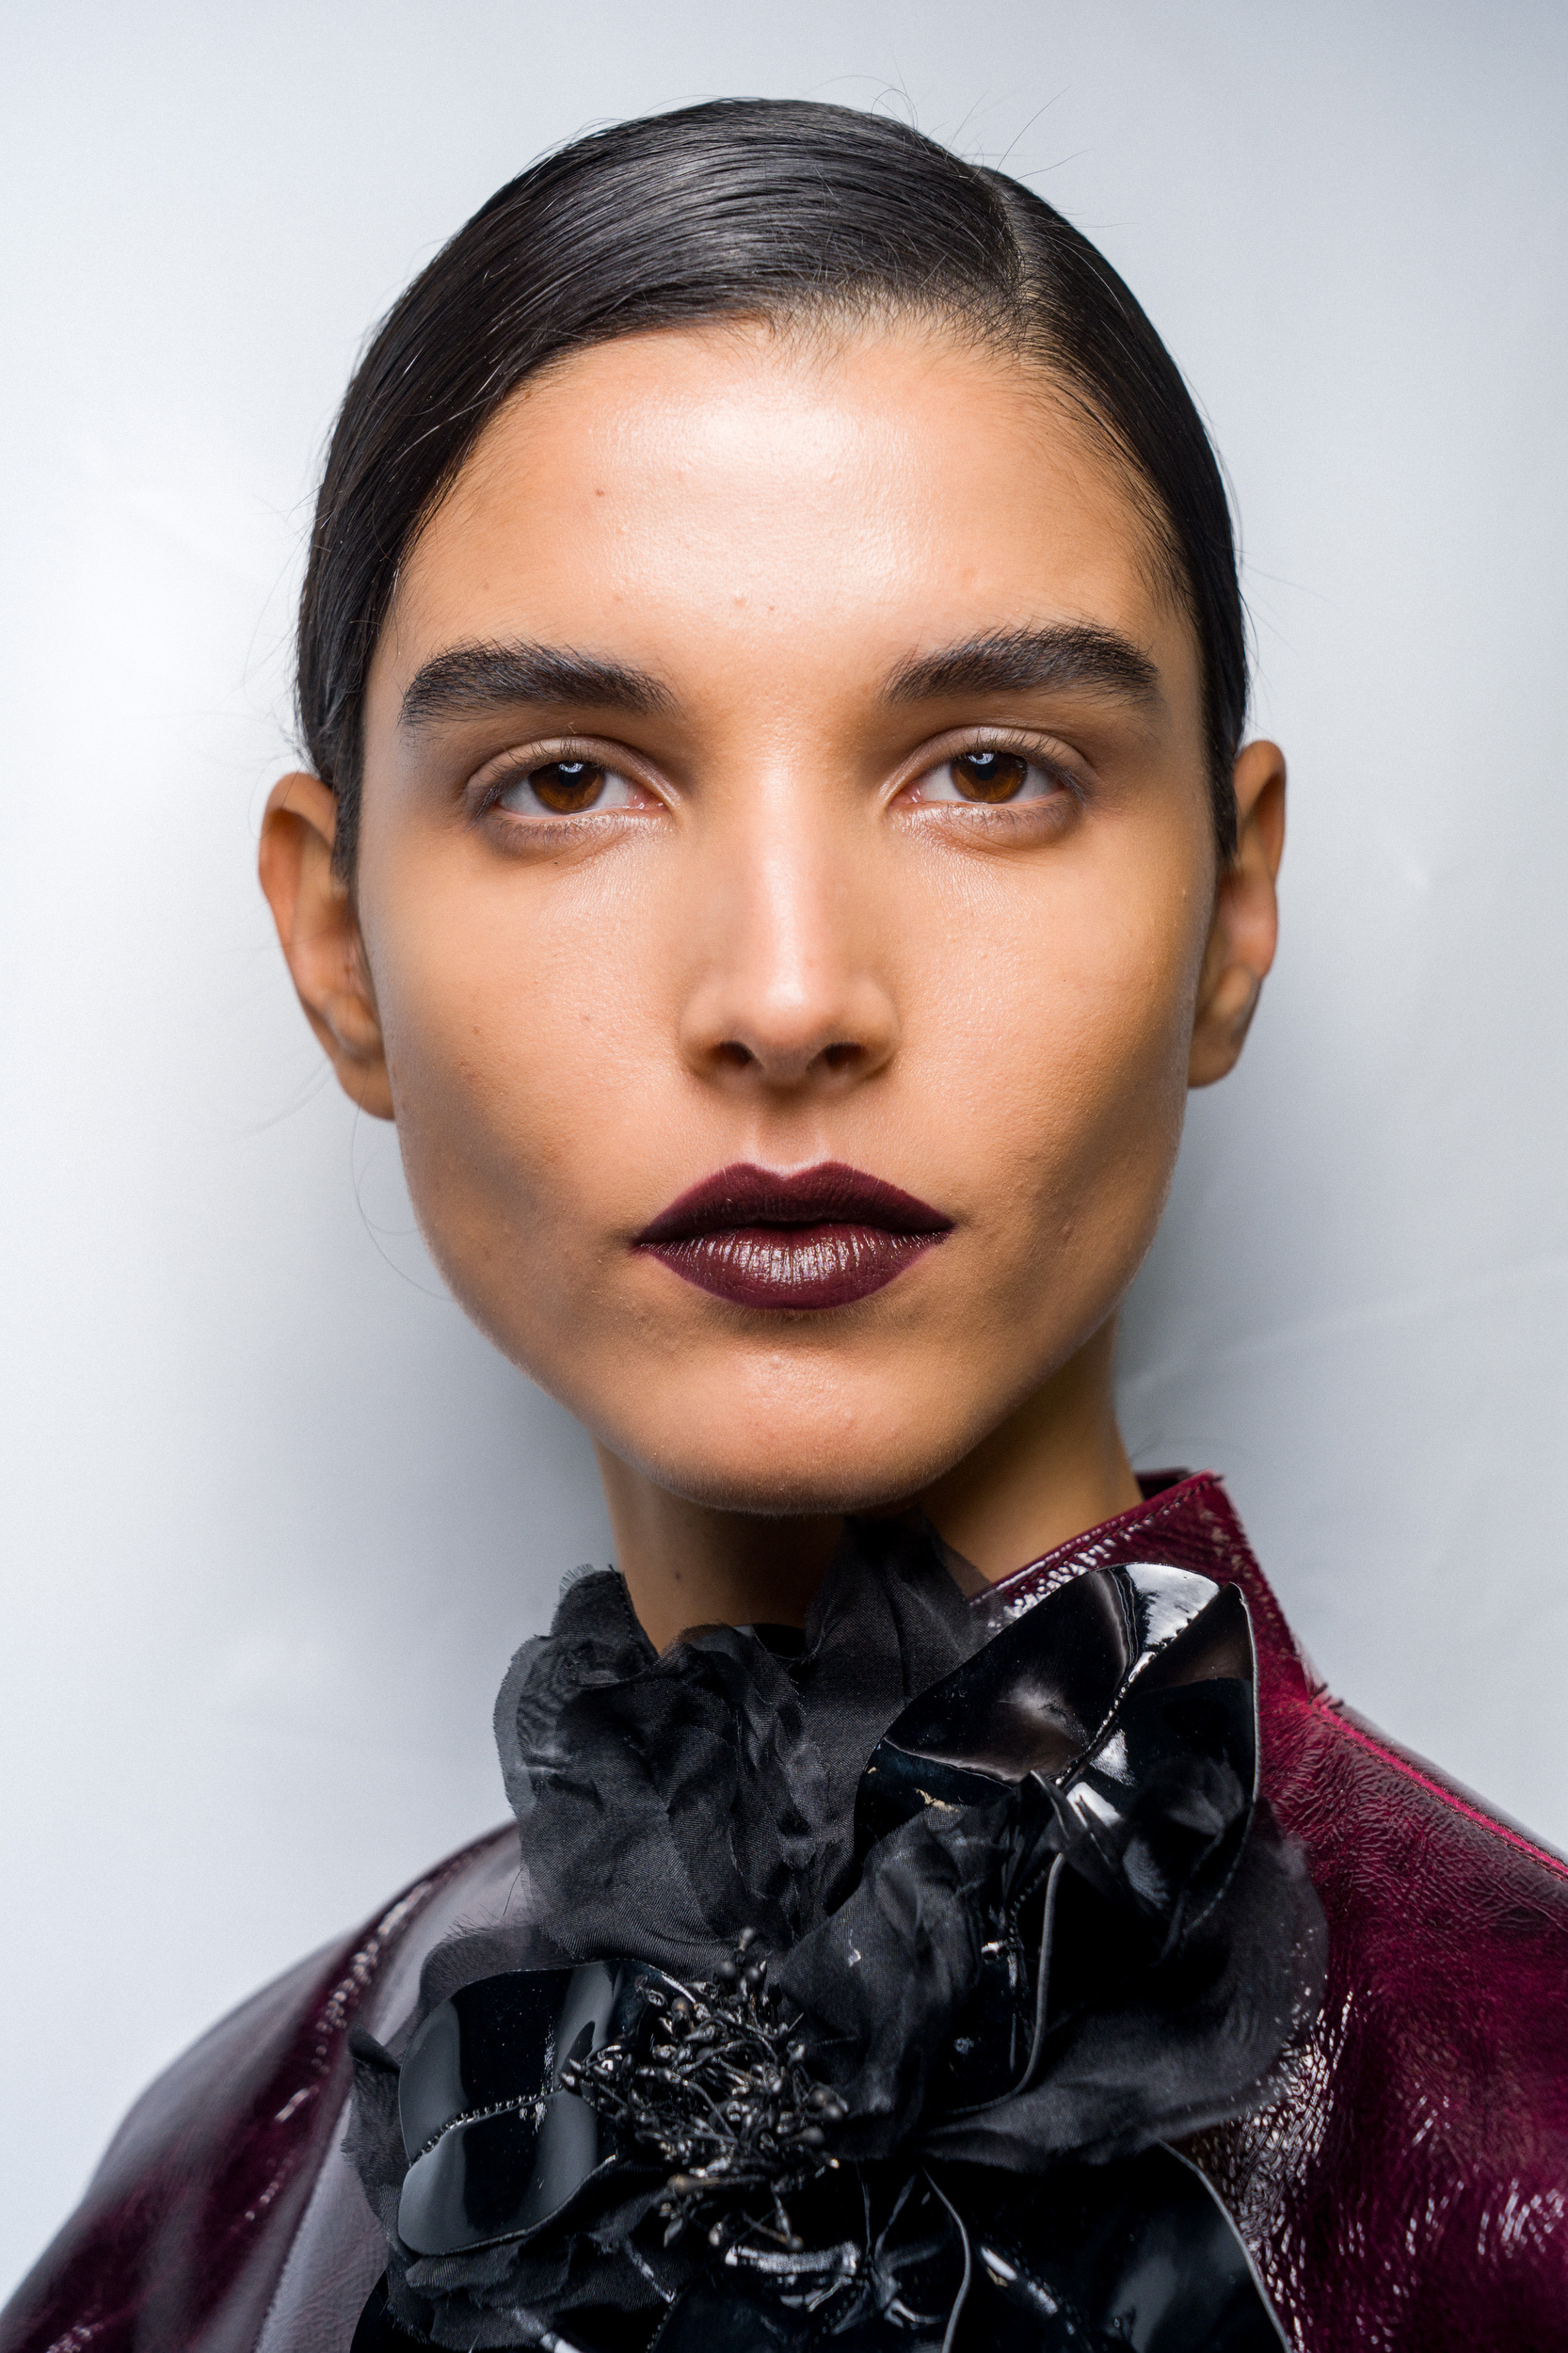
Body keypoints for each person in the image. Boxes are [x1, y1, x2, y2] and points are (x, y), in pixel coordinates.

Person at [4, 98, 1563, 2353]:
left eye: (990, 770)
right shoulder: (210, 2192)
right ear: (338, 947)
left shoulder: (1526, 2155)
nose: (787, 993)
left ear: (1231, 909)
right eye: (566, 780)